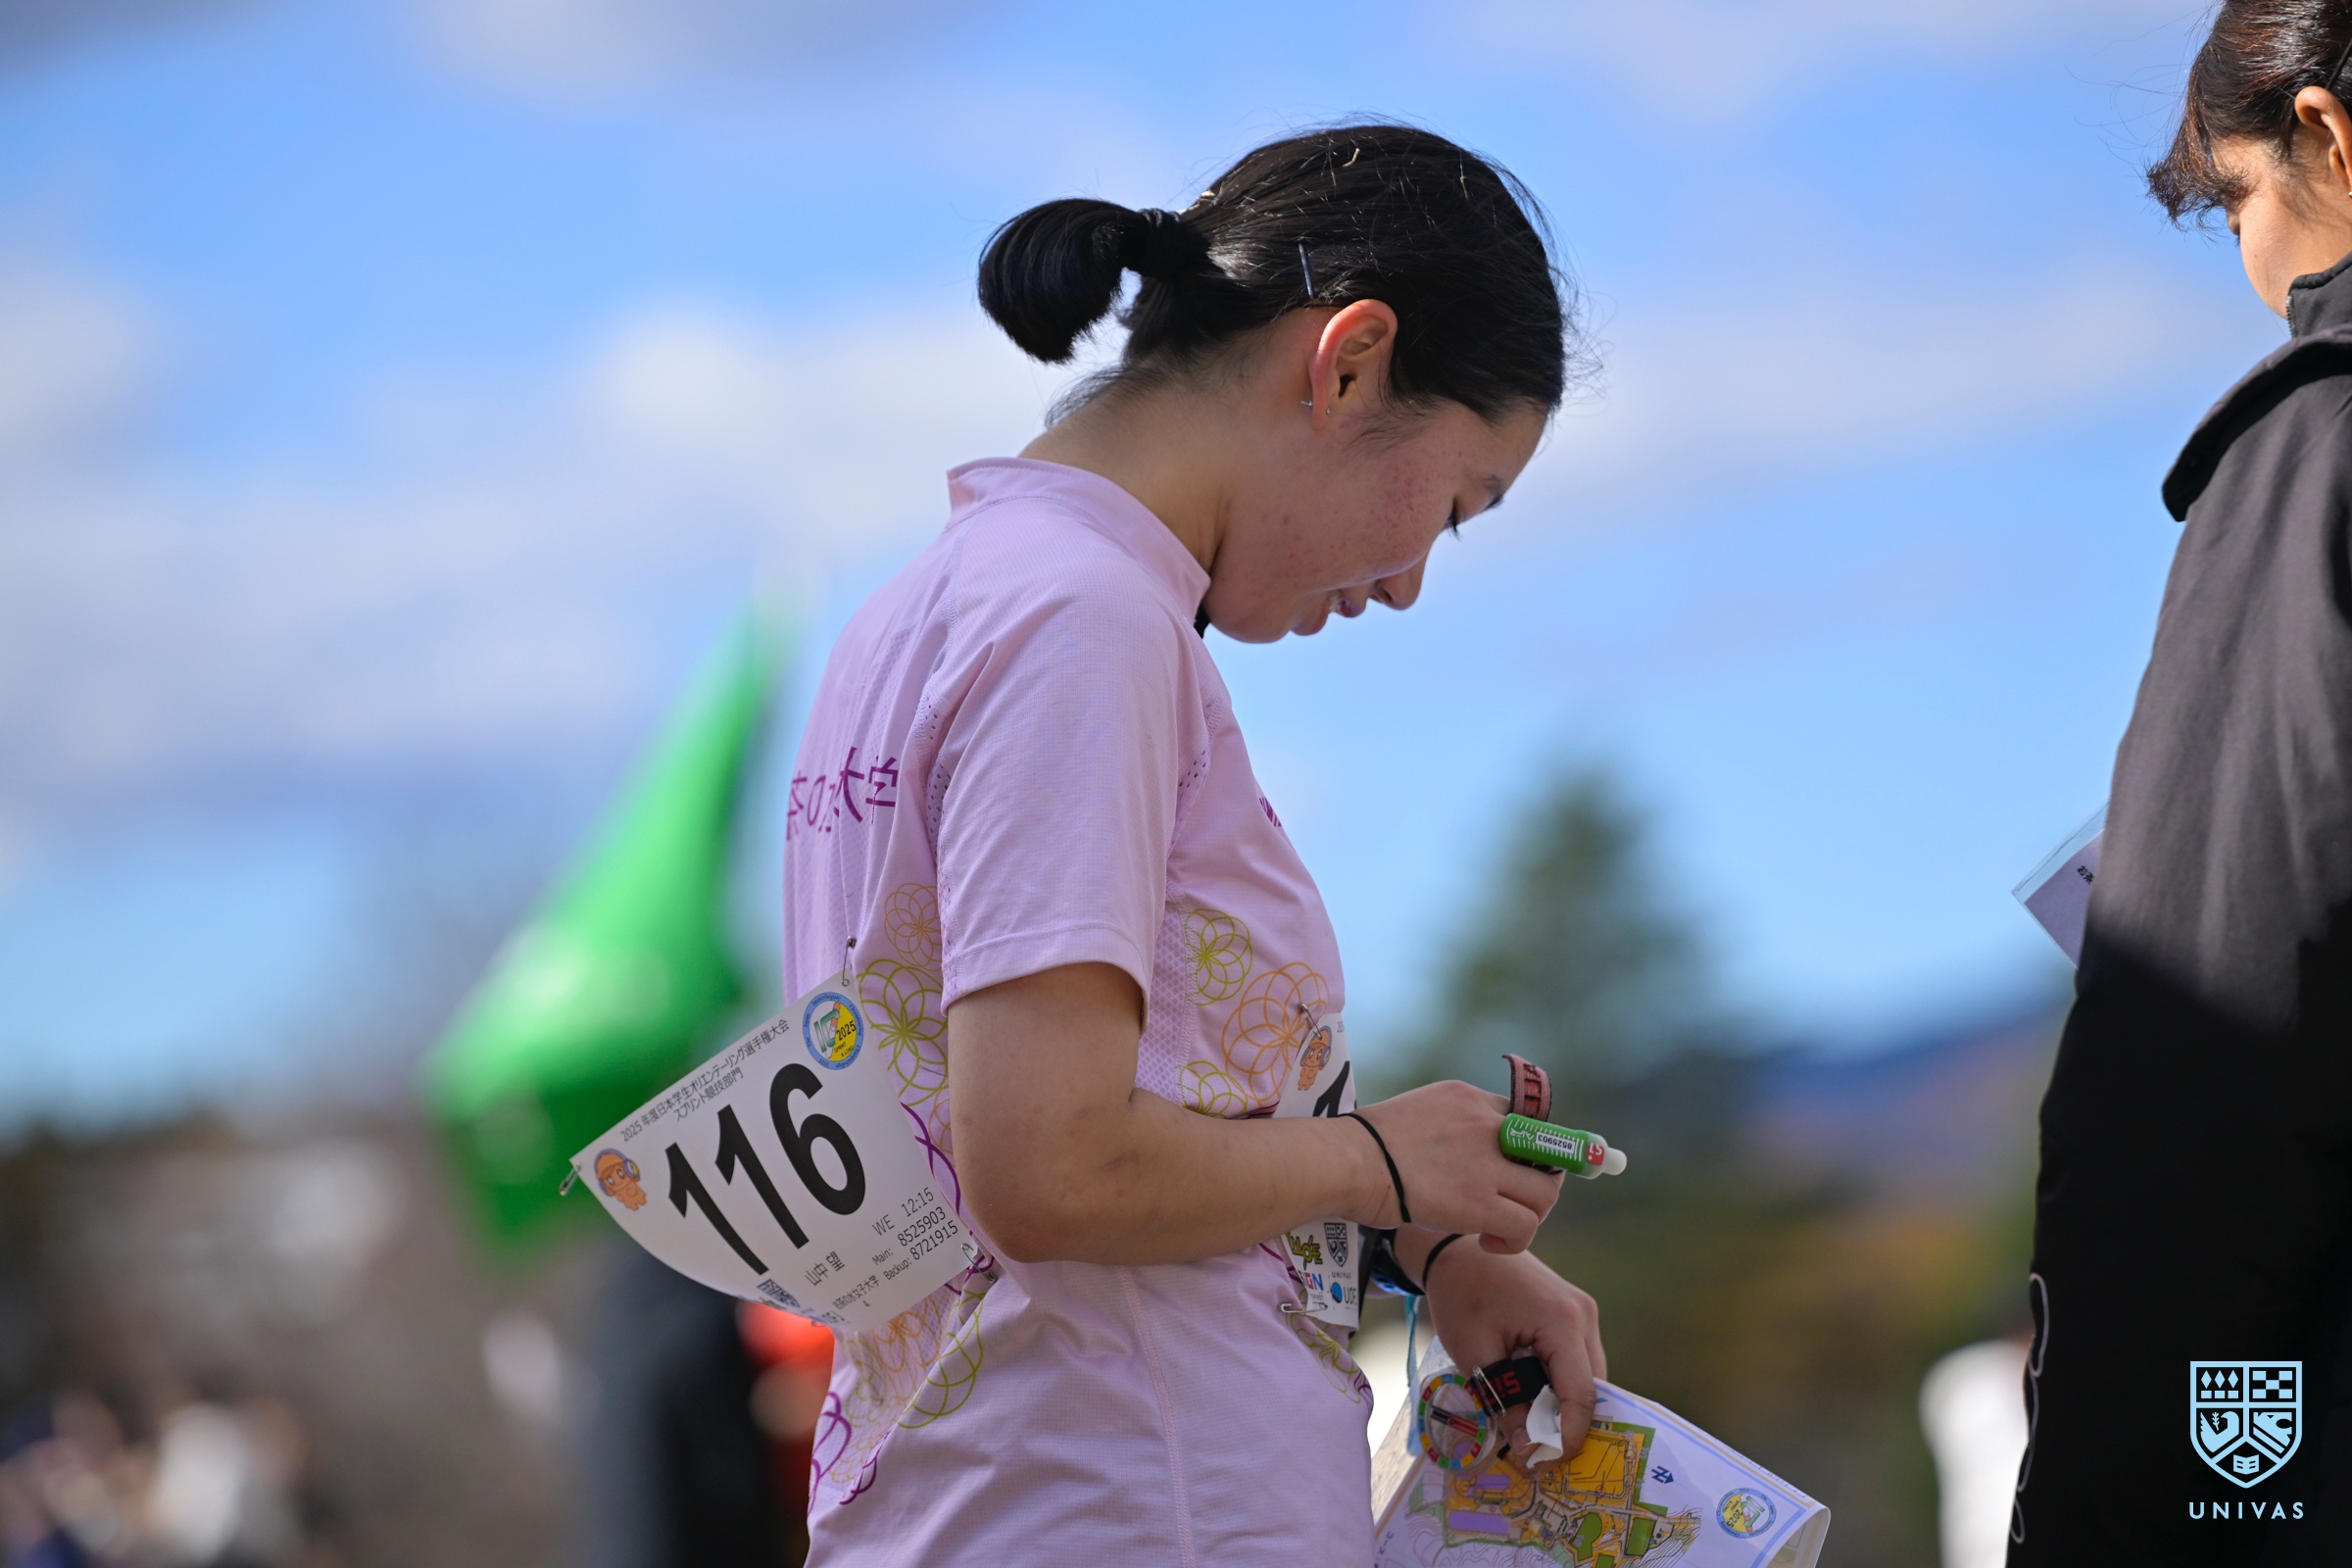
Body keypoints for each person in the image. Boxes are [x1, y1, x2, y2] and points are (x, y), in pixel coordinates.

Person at [780, 123, 1606, 1565]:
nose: (1409, 584)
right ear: (1349, 363)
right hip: (1120, 1508)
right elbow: (1050, 1167)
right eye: (1456, 505)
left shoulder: (922, 612)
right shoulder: (1083, 618)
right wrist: (1377, 1163)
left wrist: (1416, 1246)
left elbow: (999, 1143)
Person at [2013, 6, 2352, 1561]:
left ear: (2326, 136)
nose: (2250, 261)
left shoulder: (2321, 446)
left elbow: (2212, 1054)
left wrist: (2113, 1508)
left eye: (2236, 204)